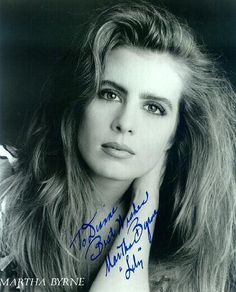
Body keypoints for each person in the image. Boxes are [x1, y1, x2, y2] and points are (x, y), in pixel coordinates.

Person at [0, 2, 236, 291]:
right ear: (80, 103)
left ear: (176, 133)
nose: (125, 122)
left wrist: (145, 205)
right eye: (109, 94)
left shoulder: (180, 252)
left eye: (154, 107)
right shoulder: (5, 190)